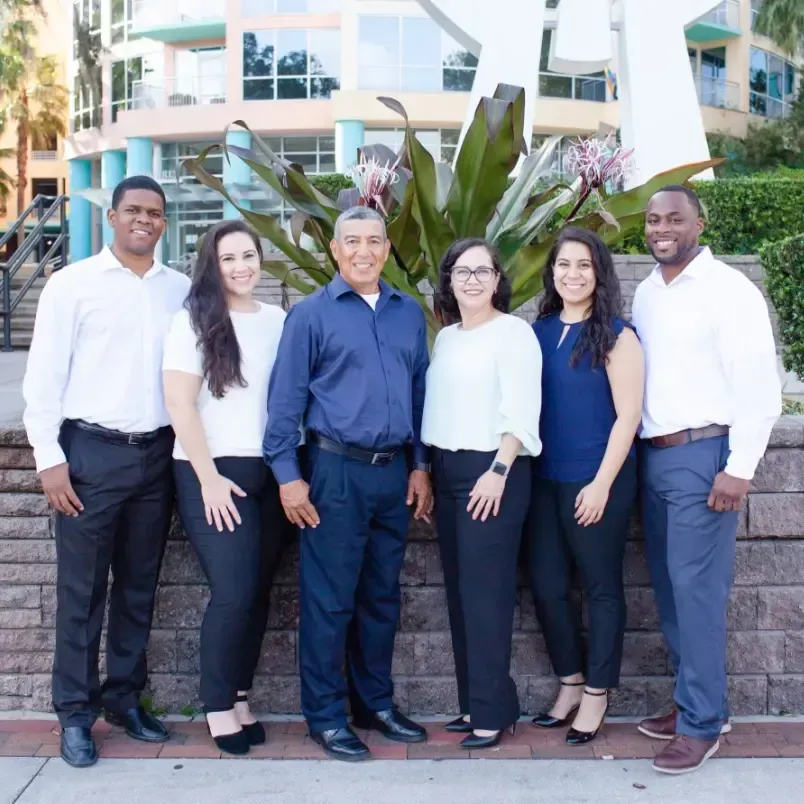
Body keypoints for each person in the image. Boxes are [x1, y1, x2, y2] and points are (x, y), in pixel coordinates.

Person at [22, 176, 190, 768]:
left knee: (139, 588)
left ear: (163, 224)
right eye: (134, 211)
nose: (144, 220)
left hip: (157, 457)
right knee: (82, 593)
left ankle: (124, 699)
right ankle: (74, 712)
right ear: (114, 216)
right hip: (90, 454)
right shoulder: (72, 286)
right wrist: (50, 459)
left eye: (155, 213)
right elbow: (42, 378)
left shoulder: (181, 290)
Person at [263, 206, 432, 761]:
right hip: (333, 474)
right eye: (352, 241)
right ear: (334, 251)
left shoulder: (408, 314)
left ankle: (374, 704)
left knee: (382, 596)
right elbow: (284, 406)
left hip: (393, 477)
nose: (364, 251)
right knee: (329, 602)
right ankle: (327, 716)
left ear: (387, 249)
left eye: (375, 241)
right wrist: (289, 479)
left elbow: (418, 398)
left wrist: (420, 465)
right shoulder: (310, 316)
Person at [632, 185, 781, 774]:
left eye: (673, 218)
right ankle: (698, 702)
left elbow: (759, 388)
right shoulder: (646, 291)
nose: (660, 228)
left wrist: (738, 468)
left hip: (705, 455)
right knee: (670, 592)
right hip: (654, 455)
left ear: (700, 222)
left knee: (696, 594)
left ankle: (701, 726)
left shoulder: (729, 290)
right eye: (651, 219)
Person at [162, 220, 290, 755]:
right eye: (228, 258)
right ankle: (216, 705)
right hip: (211, 471)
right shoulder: (193, 319)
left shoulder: (279, 319)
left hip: (270, 469)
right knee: (234, 590)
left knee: (258, 592)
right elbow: (178, 404)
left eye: (248, 256)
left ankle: (239, 695)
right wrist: (209, 479)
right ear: (211, 265)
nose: (241, 267)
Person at [422, 238, 542, 749]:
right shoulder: (447, 337)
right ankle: (476, 702)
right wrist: (426, 469)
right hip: (448, 470)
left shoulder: (513, 334)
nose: (472, 280)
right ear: (449, 281)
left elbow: (521, 408)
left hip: (493, 470)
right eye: (461, 271)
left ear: (498, 280)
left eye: (483, 271)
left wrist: (497, 469)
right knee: (458, 591)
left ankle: (492, 713)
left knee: (486, 594)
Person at [527, 227, 644, 745]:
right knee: (549, 588)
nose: (572, 274)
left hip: (598, 480)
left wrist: (600, 485)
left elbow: (629, 417)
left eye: (584, 265)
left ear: (599, 274)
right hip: (543, 481)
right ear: (552, 272)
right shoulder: (539, 330)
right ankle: (570, 683)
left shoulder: (618, 335)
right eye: (563, 265)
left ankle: (598, 693)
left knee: (600, 589)